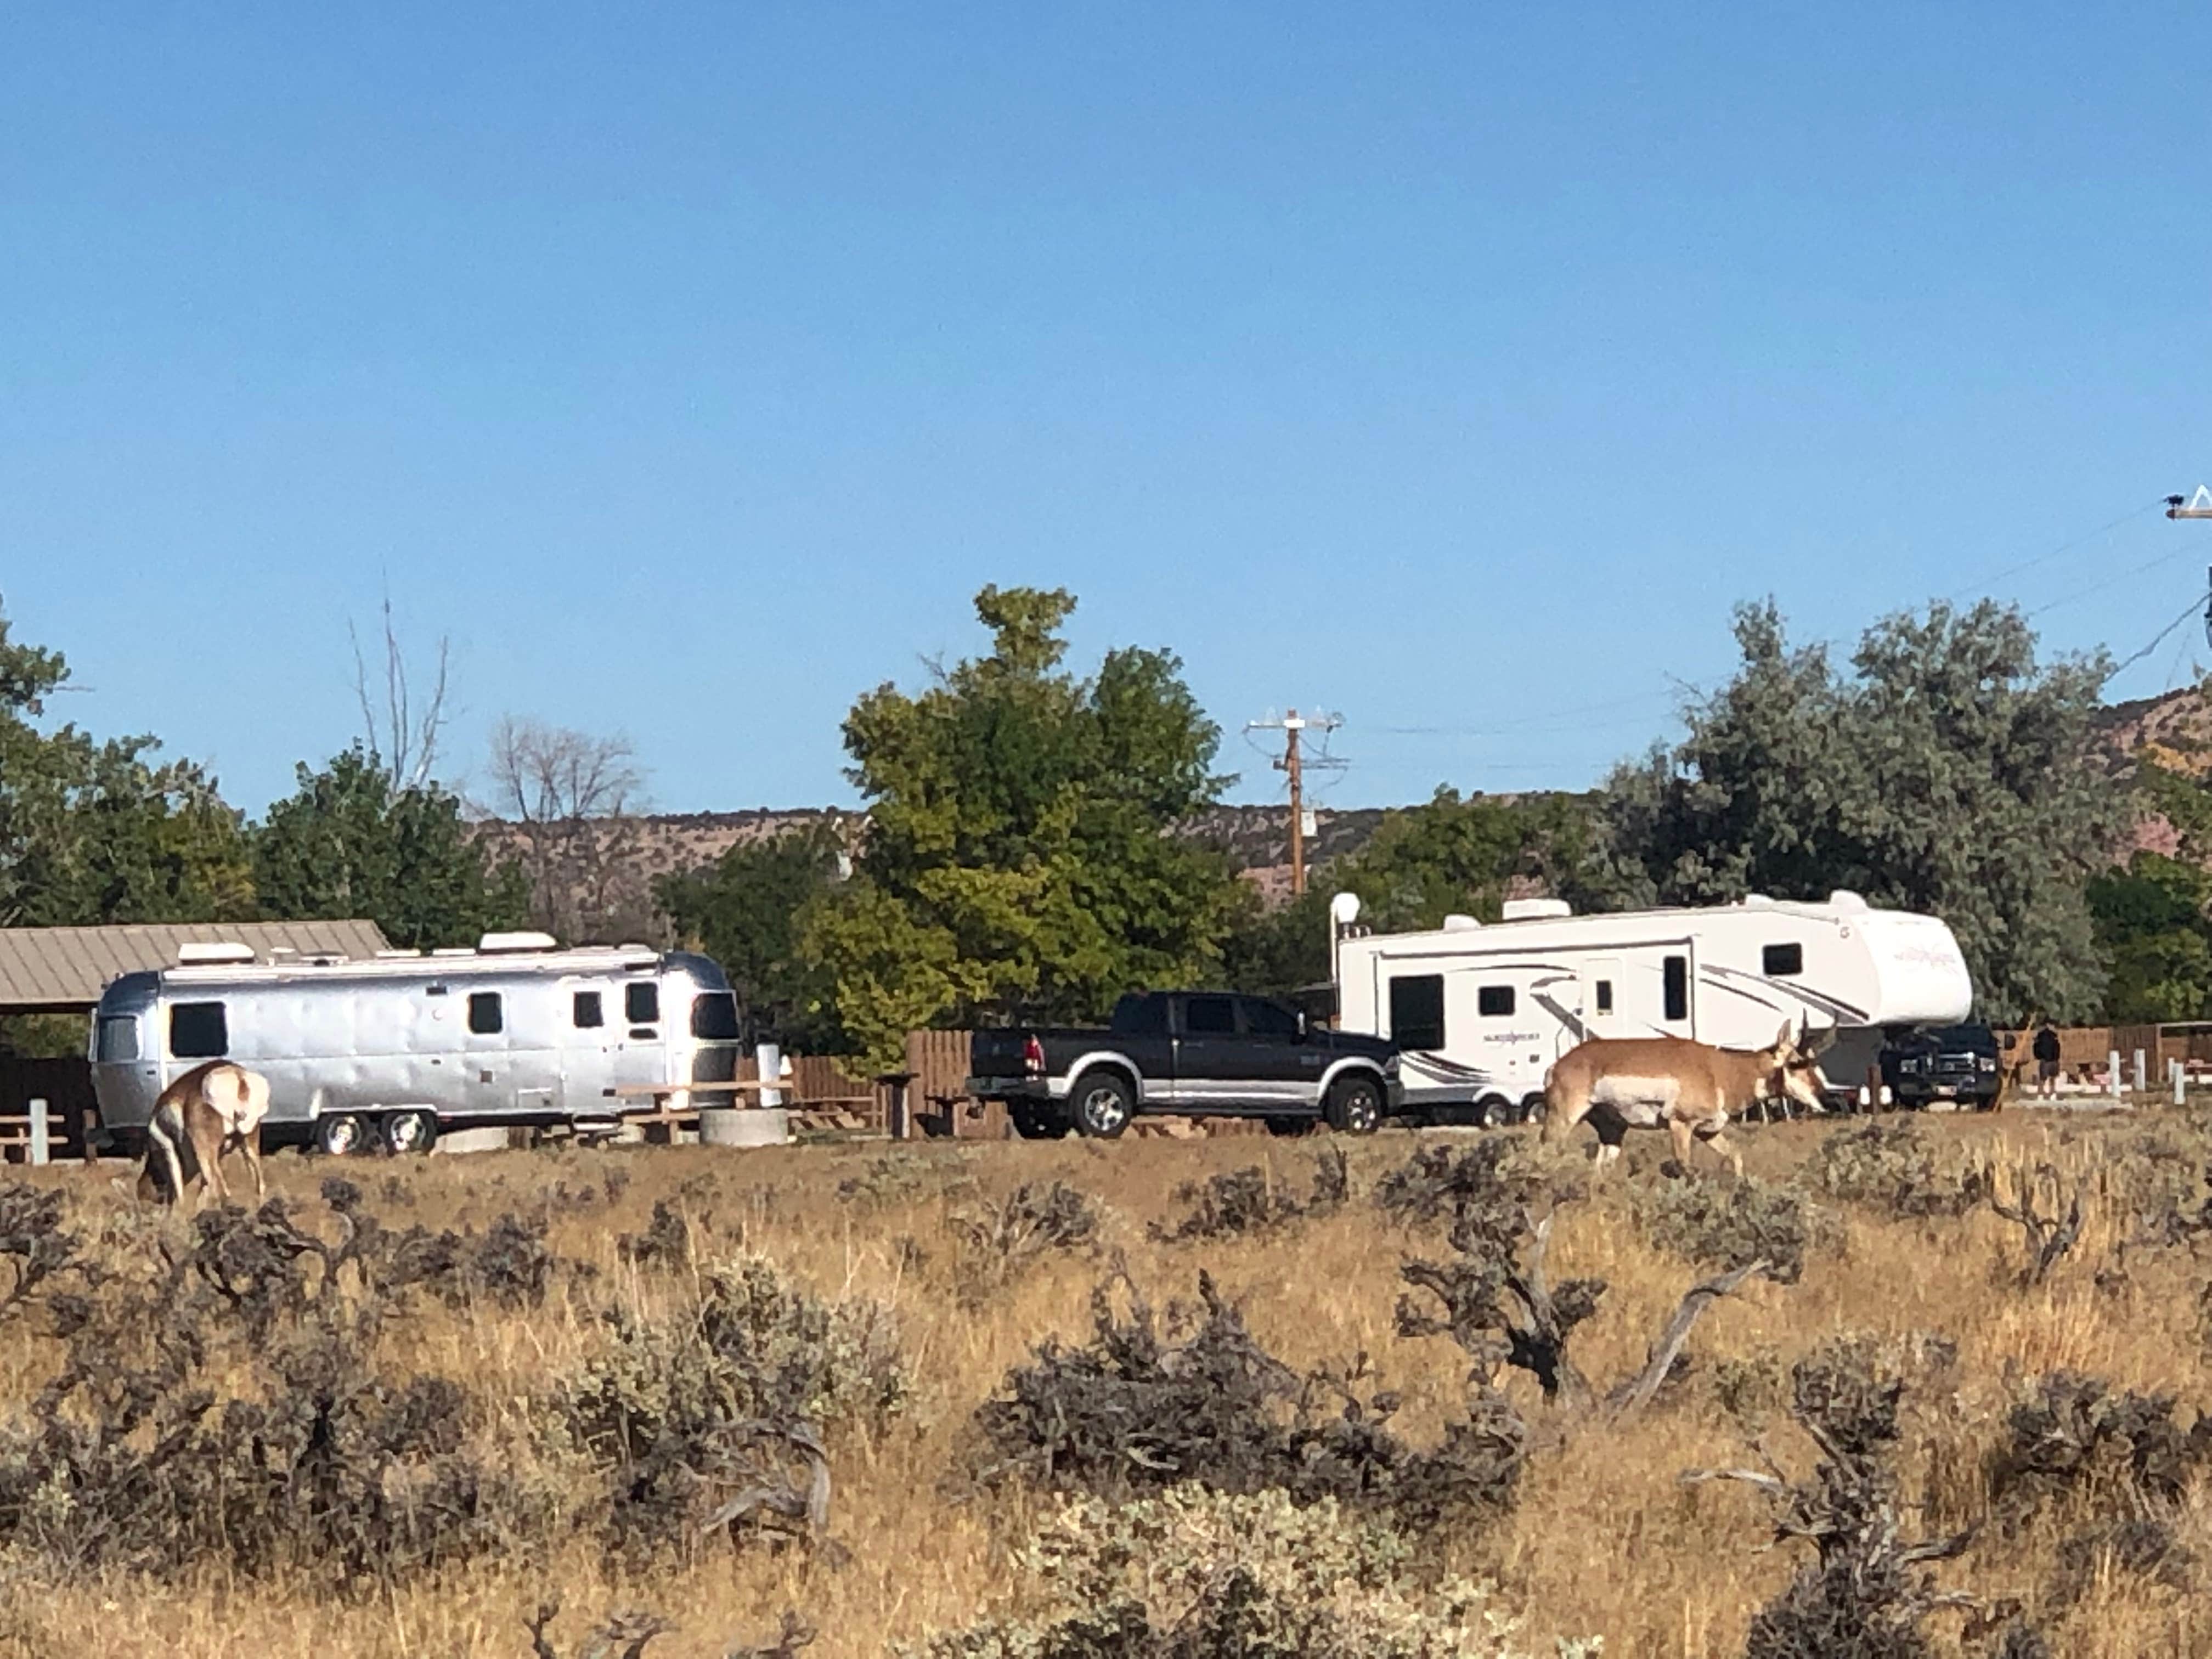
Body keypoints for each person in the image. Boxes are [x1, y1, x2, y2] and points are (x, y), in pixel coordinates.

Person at [2033, 1019, 2062, 1100]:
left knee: (2042, 1079)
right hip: (2054, 1060)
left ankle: (2040, 1094)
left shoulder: (2040, 1036)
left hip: (2044, 1060)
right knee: (2052, 1078)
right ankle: (2052, 1093)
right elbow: (2058, 1048)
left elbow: (2036, 1048)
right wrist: (2057, 1058)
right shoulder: (2054, 1036)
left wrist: (2038, 1056)